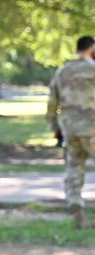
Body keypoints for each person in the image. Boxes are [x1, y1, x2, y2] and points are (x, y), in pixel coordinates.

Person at [46, 35, 95, 229]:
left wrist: (54, 128)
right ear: (92, 48)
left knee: (74, 168)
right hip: (92, 128)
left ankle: (76, 206)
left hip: (71, 129)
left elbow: (52, 103)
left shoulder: (62, 72)